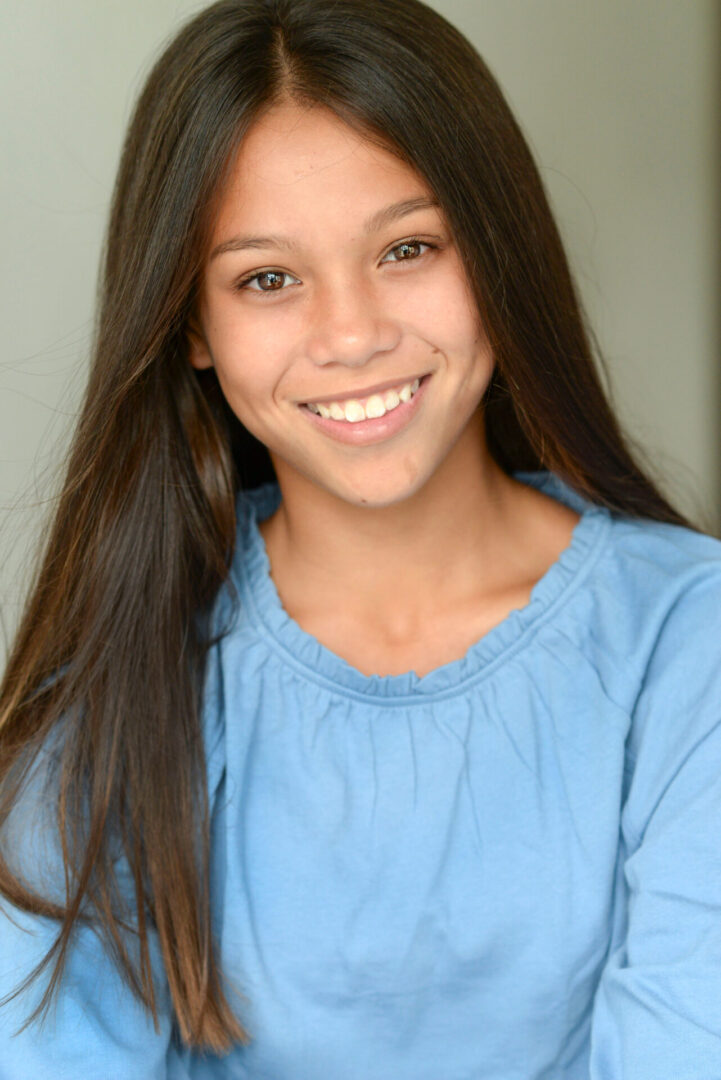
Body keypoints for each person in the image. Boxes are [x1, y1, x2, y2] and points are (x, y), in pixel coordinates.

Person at [1, 0, 720, 1076]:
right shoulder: (122, 671)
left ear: (498, 254)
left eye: (408, 247)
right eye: (268, 279)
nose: (352, 335)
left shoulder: (688, 641)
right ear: (192, 323)